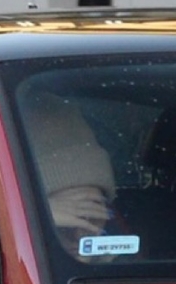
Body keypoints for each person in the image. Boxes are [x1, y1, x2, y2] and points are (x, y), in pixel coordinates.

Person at [22, 93, 118, 256]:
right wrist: (30, 219)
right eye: (64, 224)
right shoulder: (22, 258)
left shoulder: (142, 265)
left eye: (91, 215)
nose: (80, 237)